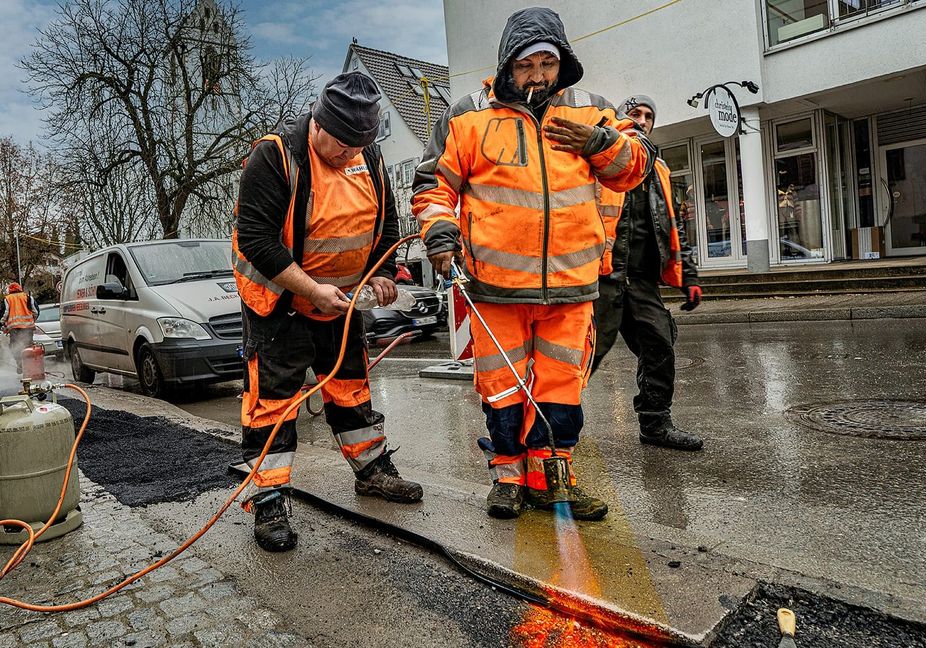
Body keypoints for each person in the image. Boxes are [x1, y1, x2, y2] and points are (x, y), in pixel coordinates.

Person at [413, 8, 652, 521]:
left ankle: (550, 481)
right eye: (527, 65)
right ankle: (507, 478)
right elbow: (433, 186)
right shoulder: (467, 116)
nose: (538, 75)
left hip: (571, 285)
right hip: (495, 286)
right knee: (502, 388)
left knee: (559, 388)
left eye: (548, 62)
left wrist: (600, 142)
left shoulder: (594, 112)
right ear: (507, 65)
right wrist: (438, 230)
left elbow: (634, 168)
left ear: (563, 62)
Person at [232, 71, 423, 552]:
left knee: (350, 387)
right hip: (278, 304)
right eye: (340, 145)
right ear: (317, 122)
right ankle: (270, 499)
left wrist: (384, 270)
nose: (348, 155)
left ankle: (372, 470)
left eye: (357, 147)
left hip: (336, 303)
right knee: (274, 403)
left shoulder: (367, 155)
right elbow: (256, 241)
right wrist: (310, 289)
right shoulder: (274, 157)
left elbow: (388, 222)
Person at [590, 95, 703, 452]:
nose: (641, 120)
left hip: (639, 279)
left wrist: (689, 275)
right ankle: (537, 432)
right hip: (600, 276)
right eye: (634, 113)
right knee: (578, 358)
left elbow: (673, 225)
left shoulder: (661, 170)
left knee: (660, 345)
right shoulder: (598, 159)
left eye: (648, 116)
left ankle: (655, 424)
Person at [0, 282, 38, 367]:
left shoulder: (7, 299)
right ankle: (30, 365)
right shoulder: (28, 297)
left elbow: (5, 314)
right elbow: (35, 312)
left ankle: (20, 363)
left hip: (14, 328)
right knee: (28, 345)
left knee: (14, 346)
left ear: (10, 290)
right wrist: (32, 320)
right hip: (28, 327)